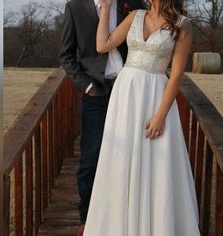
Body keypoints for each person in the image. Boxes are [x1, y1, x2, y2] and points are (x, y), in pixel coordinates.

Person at [83, 0, 201, 235]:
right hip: (126, 97)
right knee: (121, 158)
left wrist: (160, 115)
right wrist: (105, 8)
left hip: (156, 97)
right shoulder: (135, 16)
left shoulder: (182, 25)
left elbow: (176, 74)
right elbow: (102, 45)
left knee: (157, 162)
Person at [59, 0, 145, 235]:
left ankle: (125, 214)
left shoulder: (134, 3)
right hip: (97, 92)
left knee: (130, 155)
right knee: (91, 159)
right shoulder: (75, 7)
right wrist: (87, 87)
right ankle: (86, 218)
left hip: (130, 91)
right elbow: (66, 57)